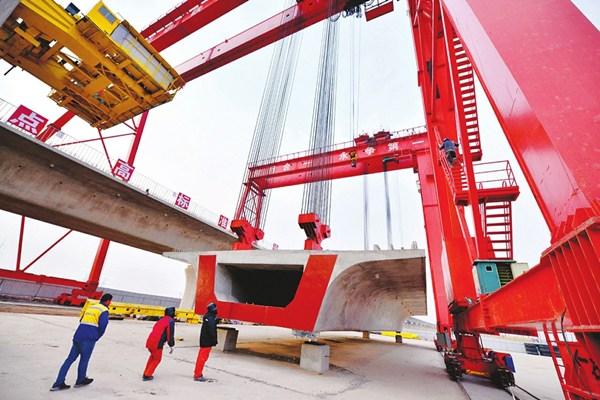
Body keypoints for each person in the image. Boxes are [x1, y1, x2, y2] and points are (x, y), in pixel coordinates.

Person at [50, 293, 113, 391]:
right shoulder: (104, 310)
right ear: (109, 301)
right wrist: (97, 336)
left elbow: (81, 320)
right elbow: (103, 325)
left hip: (78, 336)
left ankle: (58, 383)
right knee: (84, 359)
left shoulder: (91, 307)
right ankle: (80, 380)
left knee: (69, 359)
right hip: (88, 338)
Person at [143, 307, 176, 381]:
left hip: (150, 341)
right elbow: (170, 335)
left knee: (152, 357)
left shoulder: (161, 320)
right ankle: (147, 375)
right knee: (157, 359)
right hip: (157, 343)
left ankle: (146, 372)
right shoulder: (170, 321)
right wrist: (172, 345)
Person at [194, 302, 219, 382]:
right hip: (207, 341)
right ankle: (197, 375)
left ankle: (197, 373)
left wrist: (215, 321)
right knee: (202, 358)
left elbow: (210, 325)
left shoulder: (208, 317)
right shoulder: (210, 318)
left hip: (204, 340)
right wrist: (214, 340)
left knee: (201, 358)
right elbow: (212, 330)